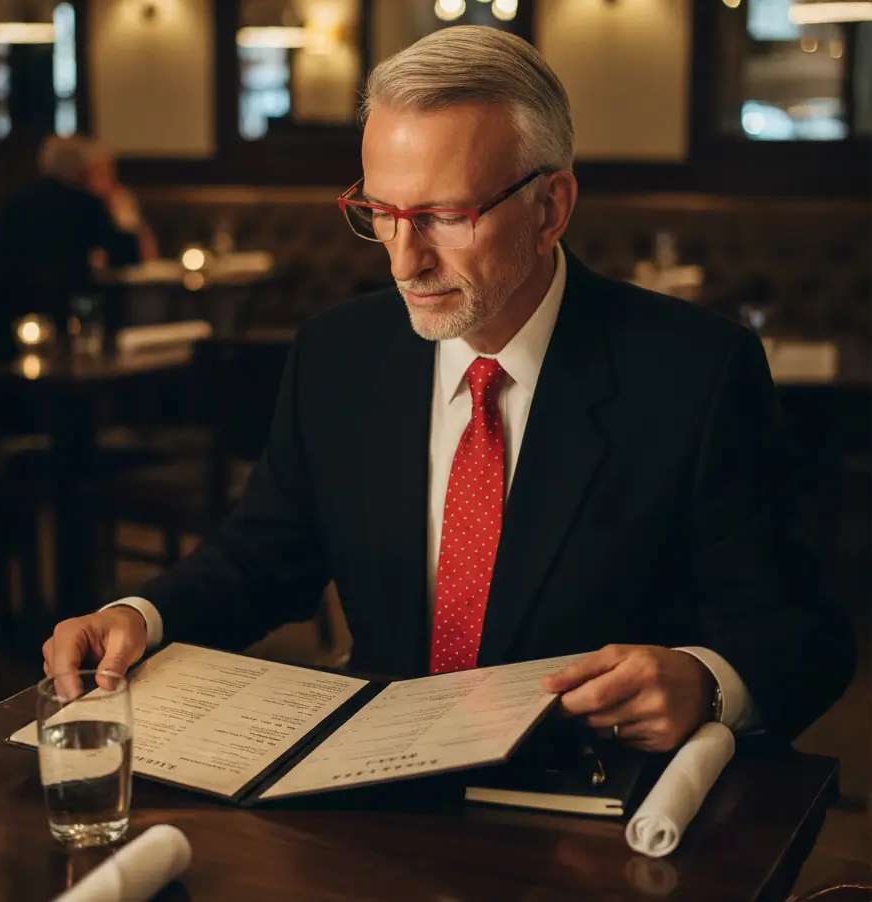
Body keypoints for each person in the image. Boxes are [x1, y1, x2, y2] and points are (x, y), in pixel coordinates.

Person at [42, 27, 854, 751]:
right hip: (373, 788)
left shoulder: (695, 372)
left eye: (444, 216)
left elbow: (802, 633)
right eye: (381, 213)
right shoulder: (336, 354)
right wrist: (138, 617)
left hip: (589, 797)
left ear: (550, 208)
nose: (404, 261)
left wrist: (705, 683)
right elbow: (262, 558)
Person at [0, 135, 147, 365]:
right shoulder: (86, 204)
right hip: (60, 316)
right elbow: (129, 254)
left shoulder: (19, 201)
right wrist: (127, 219)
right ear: (82, 170)